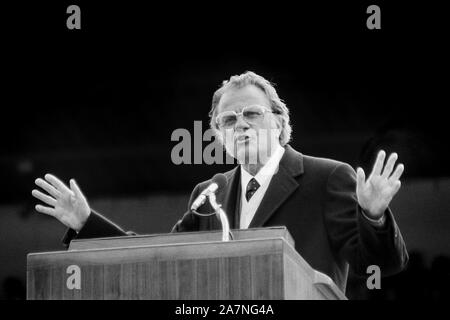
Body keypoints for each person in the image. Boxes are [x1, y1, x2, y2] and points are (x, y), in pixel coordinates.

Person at [31, 71, 408, 293]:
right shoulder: (209, 193)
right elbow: (160, 260)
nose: (240, 124)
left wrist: (373, 216)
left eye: (251, 114)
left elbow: (379, 266)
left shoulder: (326, 177)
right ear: (220, 137)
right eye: (228, 121)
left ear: (278, 122)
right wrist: (86, 223)